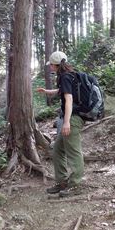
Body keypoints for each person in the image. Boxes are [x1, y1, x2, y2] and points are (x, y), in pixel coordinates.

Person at [36, 51, 85, 197]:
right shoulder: (69, 74)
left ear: (54, 64)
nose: (50, 67)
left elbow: (68, 99)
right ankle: (62, 182)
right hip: (72, 117)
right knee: (57, 150)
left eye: (50, 65)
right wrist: (47, 91)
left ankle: (75, 185)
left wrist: (67, 122)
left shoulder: (65, 76)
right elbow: (62, 91)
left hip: (73, 118)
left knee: (74, 151)